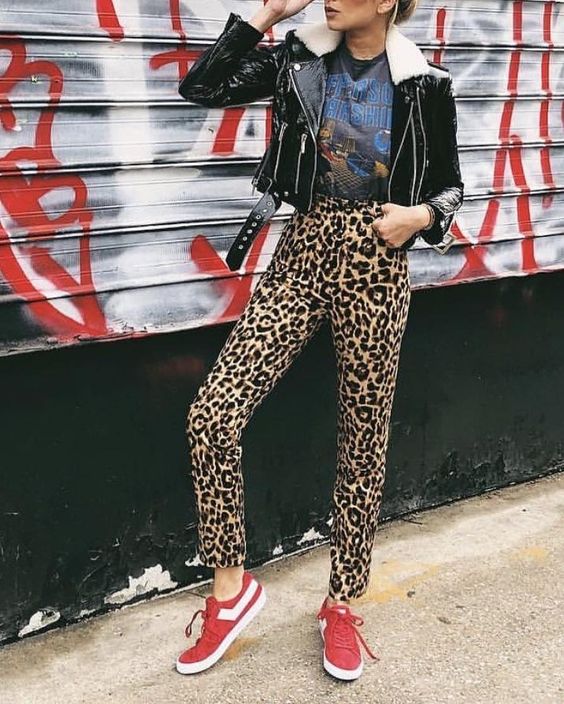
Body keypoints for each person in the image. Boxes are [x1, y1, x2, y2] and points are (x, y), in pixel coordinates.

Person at [176, 0, 464, 681]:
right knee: (212, 416)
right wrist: (267, 13)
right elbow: (202, 87)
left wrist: (420, 217)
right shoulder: (297, 60)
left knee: (364, 438)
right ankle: (230, 593)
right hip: (303, 249)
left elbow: (450, 188)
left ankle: (342, 603)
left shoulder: (425, 84)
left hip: (376, 260)